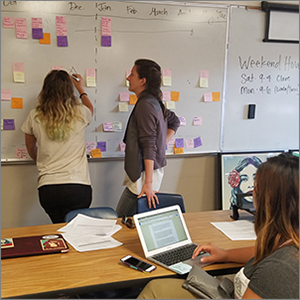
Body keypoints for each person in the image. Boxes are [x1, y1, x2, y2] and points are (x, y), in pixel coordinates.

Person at [137, 153, 299, 299]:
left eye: (256, 186)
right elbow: (264, 251)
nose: (252, 191)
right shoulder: (288, 239)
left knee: (154, 291)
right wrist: (225, 255)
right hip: (233, 288)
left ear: (269, 200)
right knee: (157, 287)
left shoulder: (279, 270)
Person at [21, 70, 94, 223]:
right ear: (69, 90)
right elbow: (91, 109)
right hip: (78, 186)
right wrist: (80, 88)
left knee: (59, 231)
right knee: (75, 232)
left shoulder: (35, 115)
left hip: (48, 188)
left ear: (45, 90)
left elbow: (30, 145)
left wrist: (40, 159)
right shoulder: (80, 112)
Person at [116, 59, 180, 217]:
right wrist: (162, 144)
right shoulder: (153, 102)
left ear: (142, 81)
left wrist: (148, 183)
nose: (128, 78)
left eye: (132, 74)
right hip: (145, 173)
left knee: (121, 220)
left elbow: (148, 145)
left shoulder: (146, 105)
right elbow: (174, 121)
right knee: (133, 222)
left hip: (143, 176)